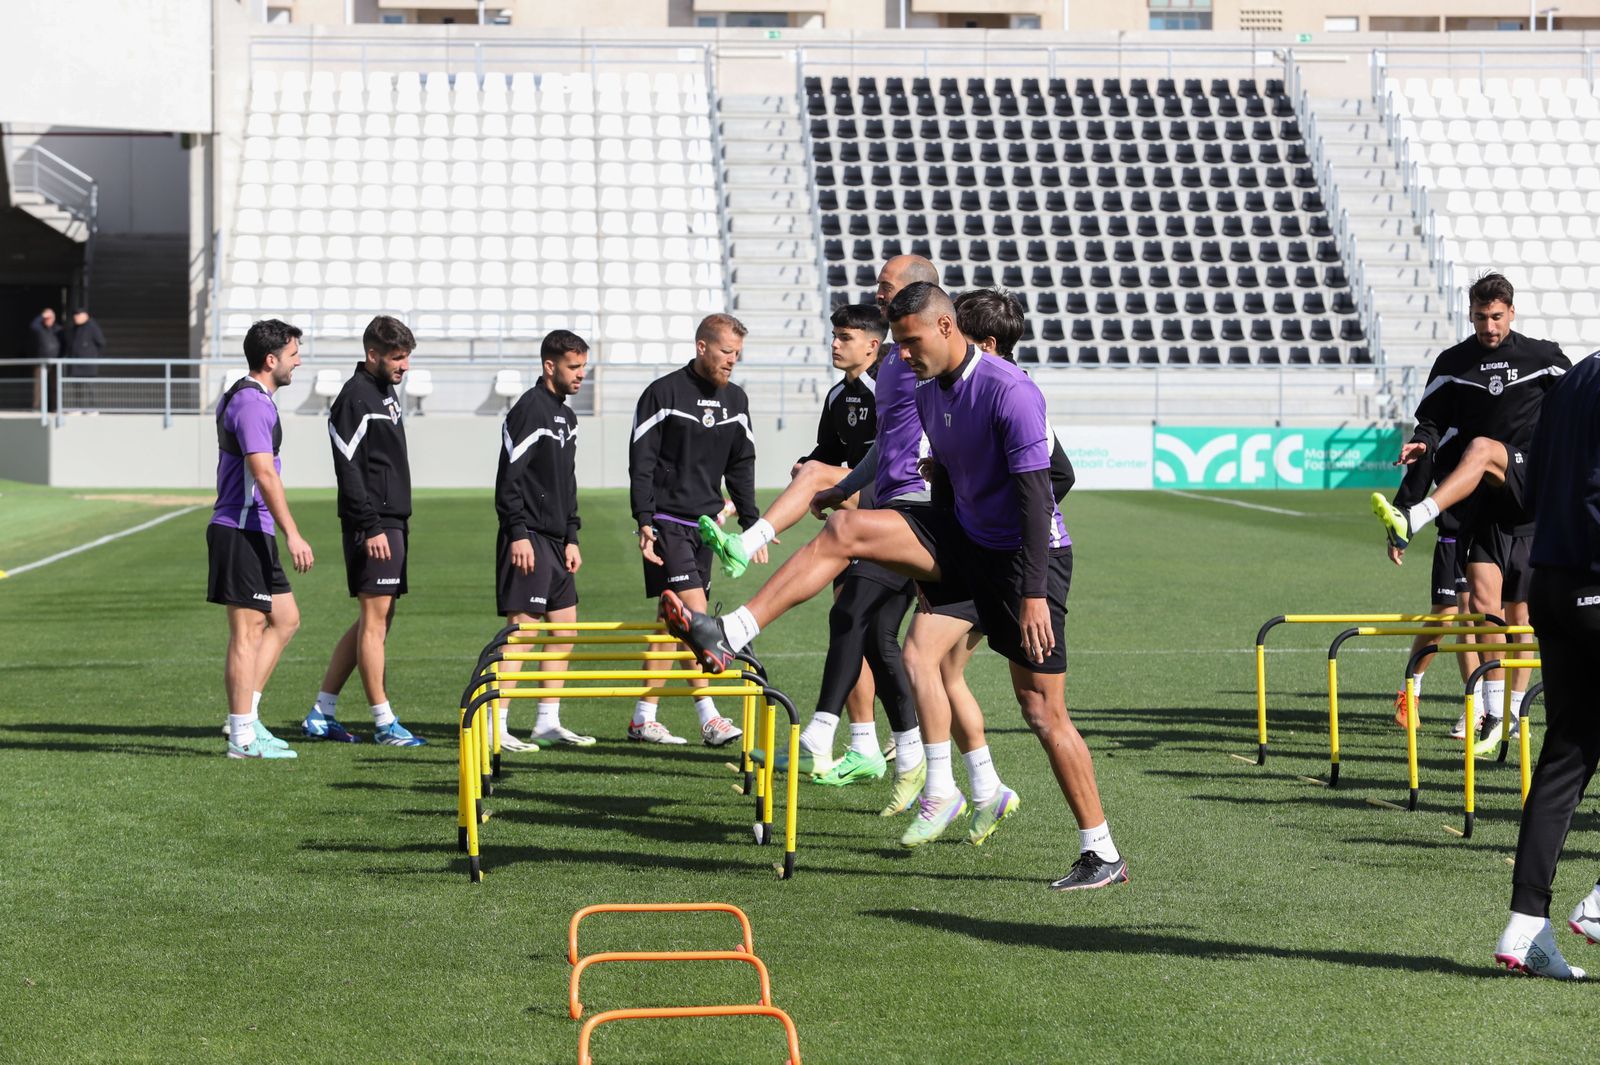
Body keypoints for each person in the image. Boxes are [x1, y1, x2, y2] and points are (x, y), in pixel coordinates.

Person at [663, 282, 1126, 890]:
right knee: (848, 531)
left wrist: (1034, 593)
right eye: (897, 345)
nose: (901, 356)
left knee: (1042, 710)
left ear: (945, 327)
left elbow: (1040, 497)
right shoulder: (929, 390)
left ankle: (1100, 851)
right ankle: (730, 631)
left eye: (909, 343)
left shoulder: (1010, 390)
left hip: (1025, 560)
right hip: (967, 542)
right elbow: (940, 476)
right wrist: (931, 569)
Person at [1370, 274, 1567, 745]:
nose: (1488, 326)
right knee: (1483, 610)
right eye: (1480, 317)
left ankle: (1417, 517)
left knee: (1482, 447)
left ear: (1511, 312)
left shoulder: (1543, 357)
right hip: (1485, 506)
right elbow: (1431, 422)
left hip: (1528, 484)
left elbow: (1579, 404)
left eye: (1496, 316)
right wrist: (1422, 442)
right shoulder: (1453, 363)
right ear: (1470, 314)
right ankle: (1497, 715)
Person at [735, 302, 921, 786]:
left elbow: (888, 459)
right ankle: (865, 744)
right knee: (855, 626)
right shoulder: (839, 394)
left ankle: (749, 546)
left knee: (875, 634)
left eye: (845, 337)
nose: (835, 344)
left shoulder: (895, 383)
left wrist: (819, 476)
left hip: (889, 509)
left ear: (873, 345)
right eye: (834, 335)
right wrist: (808, 464)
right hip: (853, 514)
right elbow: (828, 451)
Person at [1492, 346, 1600, 980]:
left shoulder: (1573, 378)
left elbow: (1531, 490)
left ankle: (1526, 925)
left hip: (1552, 584)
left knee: (1567, 755)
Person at [627, 313, 757, 747]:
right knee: (697, 618)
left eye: (737, 354)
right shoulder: (662, 393)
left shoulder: (736, 400)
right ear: (702, 346)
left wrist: (752, 522)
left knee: (672, 625)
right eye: (726, 352)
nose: (732, 361)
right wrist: (644, 519)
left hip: (705, 529)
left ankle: (643, 718)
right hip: (666, 523)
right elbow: (641, 461)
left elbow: (742, 464)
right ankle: (710, 717)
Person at [302, 315, 425, 746]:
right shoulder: (355, 397)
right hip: (373, 524)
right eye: (397, 357)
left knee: (377, 619)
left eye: (406, 357)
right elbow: (348, 469)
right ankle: (384, 723)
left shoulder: (384, 392)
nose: (404, 366)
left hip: (391, 520)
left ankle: (322, 712)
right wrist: (370, 526)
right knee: (374, 622)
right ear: (372, 354)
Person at [207, 319, 314, 760]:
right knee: (247, 631)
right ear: (271, 360)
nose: (298, 362)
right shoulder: (252, 403)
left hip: (255, 530)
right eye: (293, 354)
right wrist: (294, 534)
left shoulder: (254, 398)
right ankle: (241, 737)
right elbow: (263, 473)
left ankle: (247, 719)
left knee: (285, 619)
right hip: (241, 530)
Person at [491, 329, 592, 751]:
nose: (581, 374)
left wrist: (572, 536)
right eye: (574, 367)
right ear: (550, 366)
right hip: (529, 536)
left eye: (584, 366)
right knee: (523, 633)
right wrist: (517, 533)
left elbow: (566, 482)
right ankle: (496, 723)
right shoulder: (529, 409)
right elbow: (508, 478)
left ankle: (547, 722)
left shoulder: (566, 416)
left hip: (556, 541)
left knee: (565, 630)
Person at [1383, 451, 1482, 733]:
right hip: (1453, 532)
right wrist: (1401, 529)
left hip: (1495, 530)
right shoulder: (1441, 428)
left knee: (1481, 615)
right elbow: (1421, 470)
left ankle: (1486, 707)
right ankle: (1411, 690)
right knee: (1445, 616)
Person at [63, 308, 104, 406]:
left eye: (78, 315)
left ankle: (93, 408)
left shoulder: (92, 327)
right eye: (75, 315)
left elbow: (101, 343)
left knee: (90, 387)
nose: (76, 317)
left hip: (88, 364)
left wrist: (94, 357)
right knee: (77, 388)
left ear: (85, 315)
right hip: (75, 363)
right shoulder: (74, 328)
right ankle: (78, 407)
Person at [23, 308, 61, 411]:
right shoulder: (39, 329)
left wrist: (60, 357)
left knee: (54, 386)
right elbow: (33, 325)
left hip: (55, 362)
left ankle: (55, 408)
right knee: (38, 386)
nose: (48, 320)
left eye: (50, 318)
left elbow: (64, 343)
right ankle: (37, 407)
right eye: (46, 318)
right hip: (40, 362)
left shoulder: (58, 330)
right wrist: (42, 315)